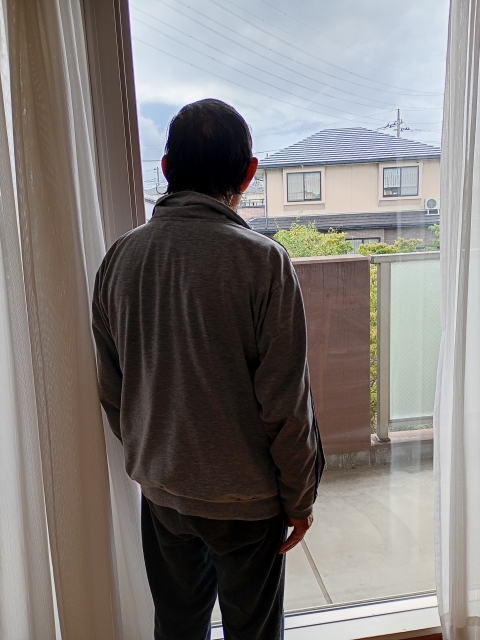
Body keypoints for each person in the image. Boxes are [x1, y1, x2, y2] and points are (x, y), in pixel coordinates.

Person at [92, 98, 324, 640]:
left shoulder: (119, 259)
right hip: (248, 503)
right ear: (249, 172)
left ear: (166, 168)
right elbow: (286, 405)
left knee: (176, 628)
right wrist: (300, 498)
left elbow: (112, 387)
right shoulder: (265, 263)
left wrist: (156, 454)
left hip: (164, 494)